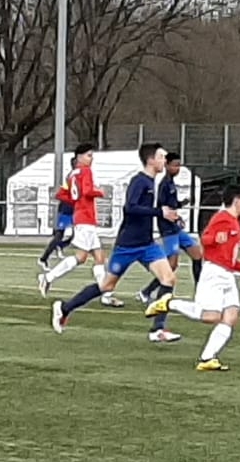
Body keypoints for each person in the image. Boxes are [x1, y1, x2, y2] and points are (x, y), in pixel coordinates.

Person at [51, 142, 179, 333]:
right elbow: (130, 208)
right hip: (128, 245)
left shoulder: (152, 181)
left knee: (168, 279)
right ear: (151, 160)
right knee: (106, 286)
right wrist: (159, 212)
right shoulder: (139, 181)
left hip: (147, 244)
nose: (164, 160)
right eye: (161, 157)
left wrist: (164, 213)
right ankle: (64, 308)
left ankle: (158, 330)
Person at [145, 184, 240, 371]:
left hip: (227, 275)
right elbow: (205, 238)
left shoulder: (233, 222)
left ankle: (207, 358)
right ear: (236, 200)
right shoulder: (222, 218)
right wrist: (215, 239)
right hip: (214, 273)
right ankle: (169, 303)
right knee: (211, 317)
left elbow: (229, 259)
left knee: (231, 315)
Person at [36, 146, 122, 307]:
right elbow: (88, 191)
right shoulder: (86, 171)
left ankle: (106, 294)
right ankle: (48, 278)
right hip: (85, 219)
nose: (91, 158)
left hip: (82, 218)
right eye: (89, 155)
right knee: (82, 257)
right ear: (79, 157)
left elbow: (61, 194)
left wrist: (76, 202)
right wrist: (99, 192)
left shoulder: (72, 174)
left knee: (99, 257)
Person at [141, 150, 204, 343]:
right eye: (174, 165)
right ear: (167, 165)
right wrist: (174, 218)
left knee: (197, 254)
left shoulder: (171, 183)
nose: (177, 168)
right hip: (168, 230)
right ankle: (146, 292)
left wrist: (181, 204)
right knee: (172, 265)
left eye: (179, 165)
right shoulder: (164, 185)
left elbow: (172, 204)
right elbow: (163, 209)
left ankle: (200, 292)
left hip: (175, 228)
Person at [37, 143, 92, 268]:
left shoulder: (79, 175)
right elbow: (61, 194)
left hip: (74, 210)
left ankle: (59, 246)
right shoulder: (72, 177)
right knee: (60, 235)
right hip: (66, 209)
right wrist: (72, 200)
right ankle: (44, 258)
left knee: (75, 235)